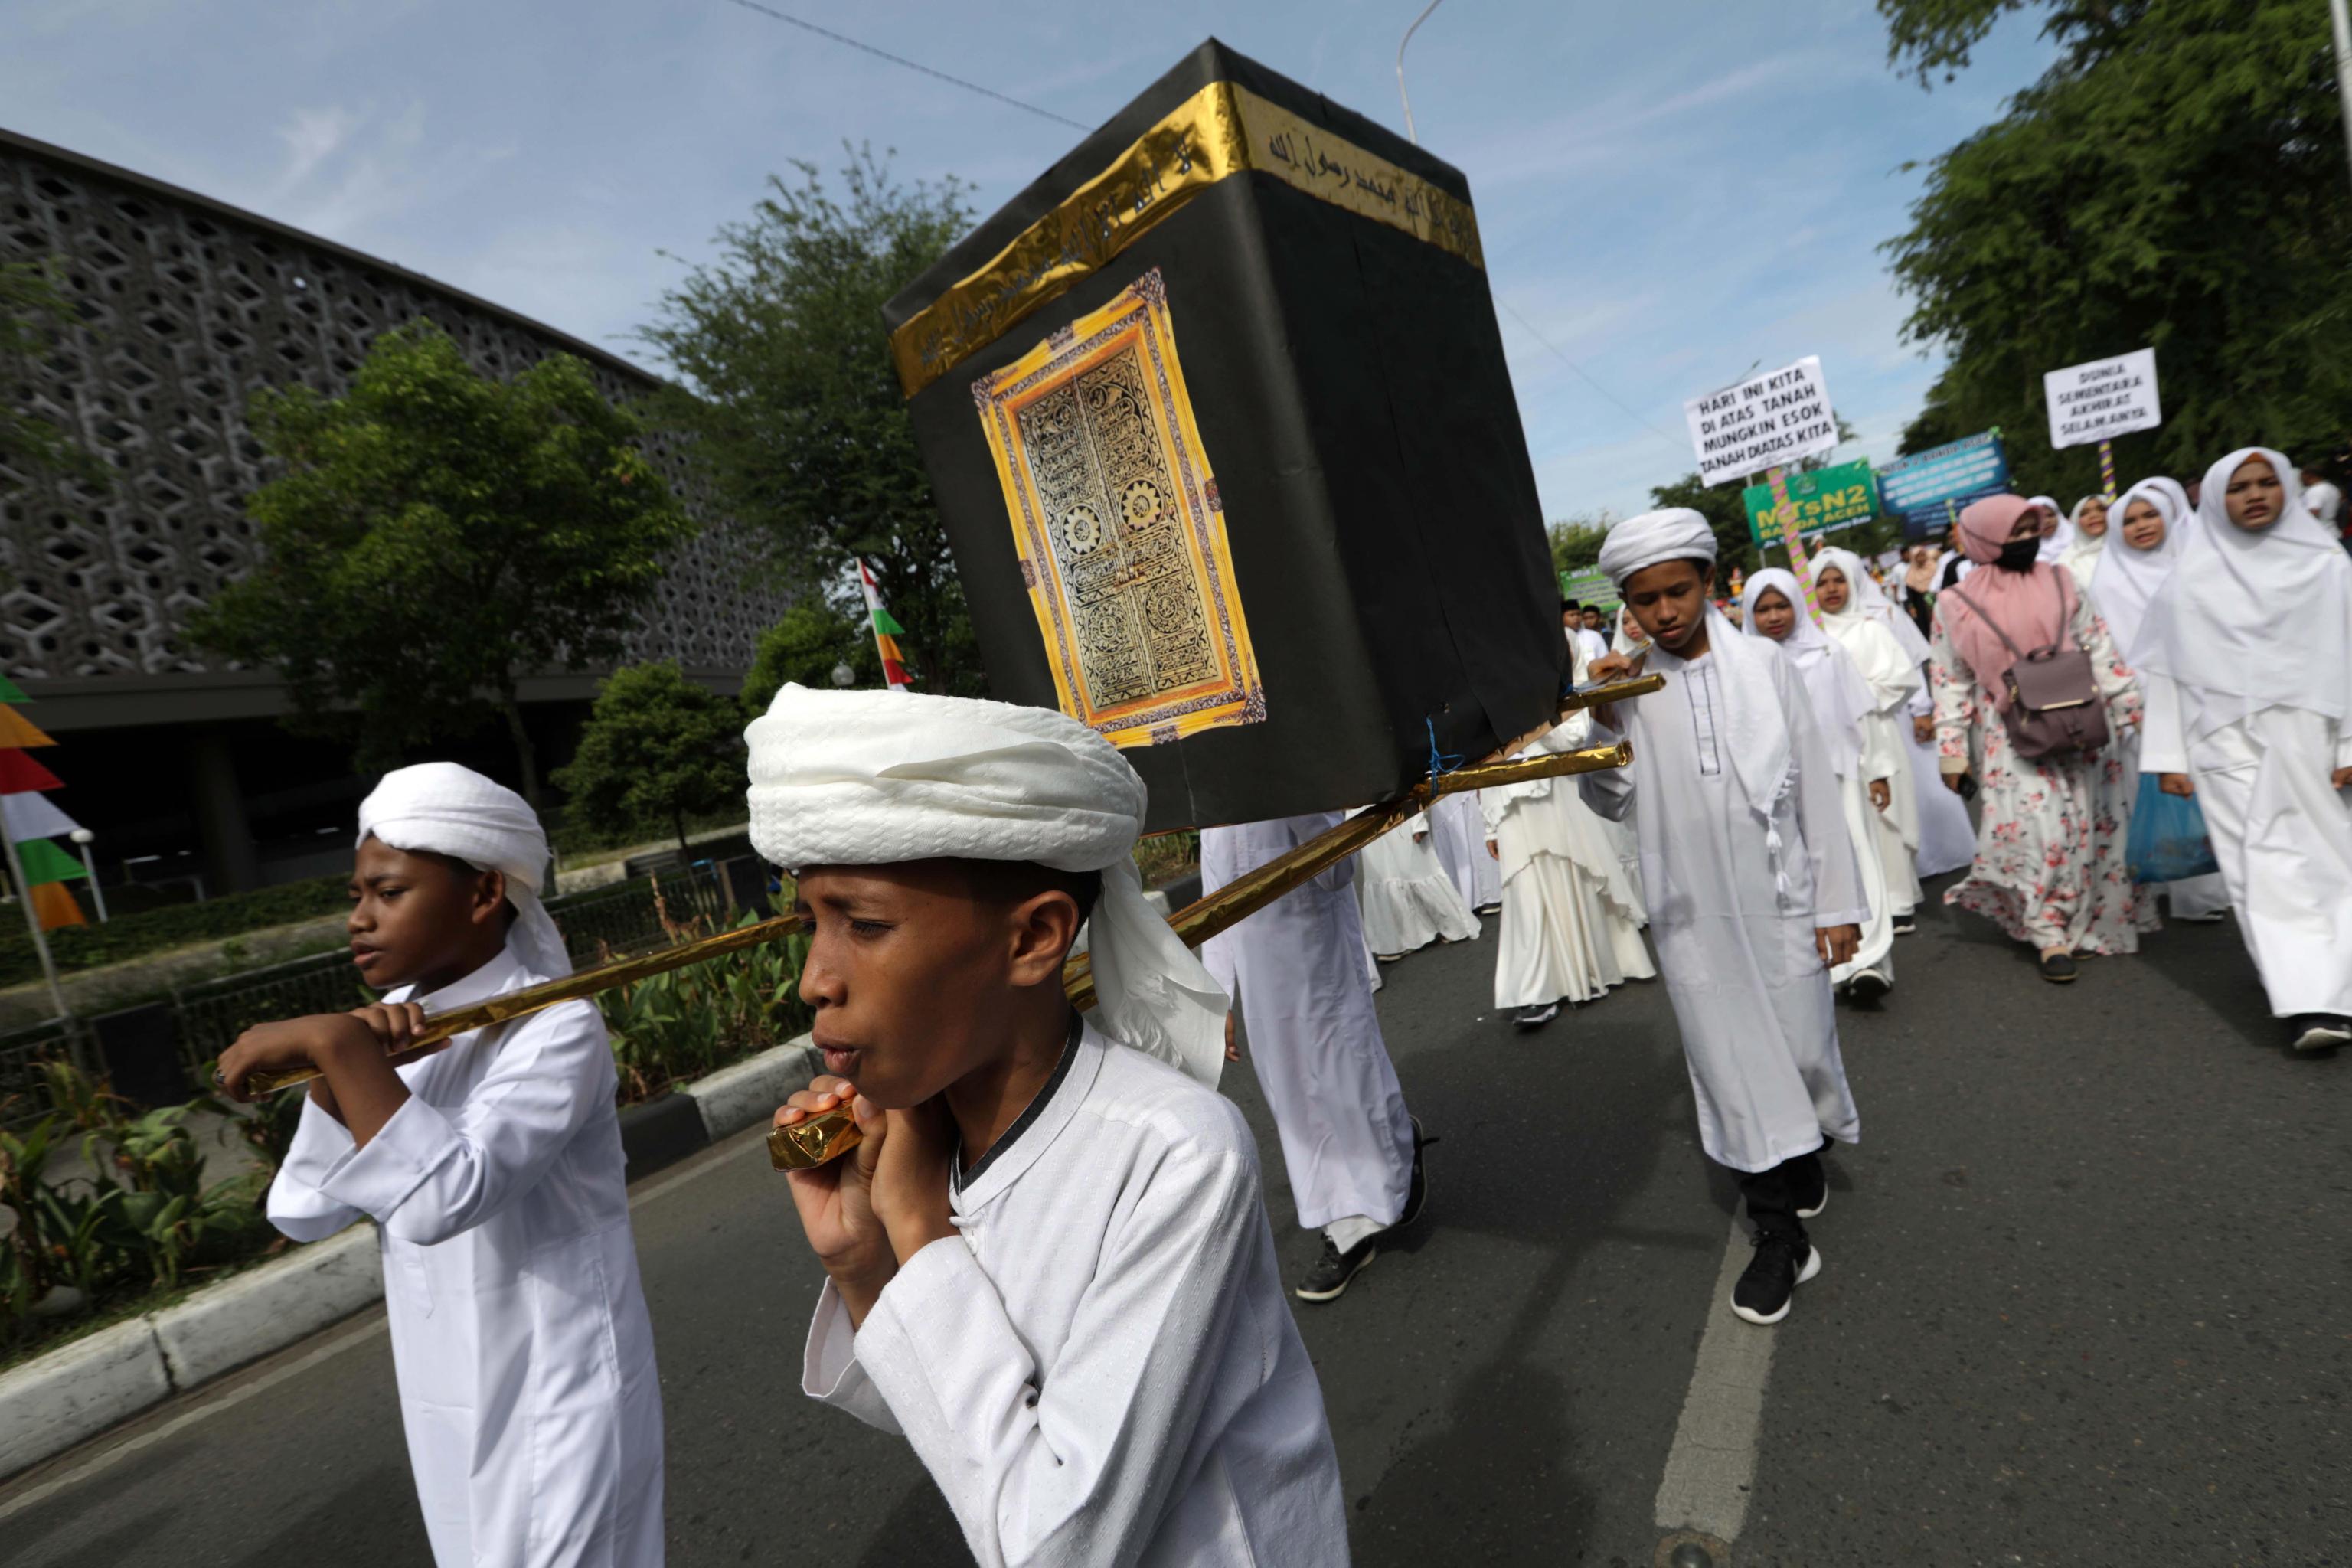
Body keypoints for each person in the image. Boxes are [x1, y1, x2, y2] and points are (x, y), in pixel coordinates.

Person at [750, 684, 1351, 1563]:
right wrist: (863, 1266)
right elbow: (954, 1427)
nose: (815, 979)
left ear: (1034, 938)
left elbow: (1056, 1543)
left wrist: (917, 1230)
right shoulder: (929, 1134)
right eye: (812, 923)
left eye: (866, 924)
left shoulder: (1174, 1153)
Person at [217, 763, 664, 1568]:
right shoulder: (393, 1035)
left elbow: (441, 1198)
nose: (359, 918)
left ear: (485, 893)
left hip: (555, 1393)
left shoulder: (555, 1023)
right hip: (446, 1402)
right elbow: (303, 1207)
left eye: (388, 892)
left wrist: (338, 1045)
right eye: (355, 894)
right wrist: (340, 1068)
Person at [1583, 510, 1866, 1328]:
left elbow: (1813, 781)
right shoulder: (1629, 687)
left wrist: (1838, 904)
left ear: (1711, 583)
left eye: (1678, 591)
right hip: (1692, 910)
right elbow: (1610, 799)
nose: (1665, 612)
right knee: (1732, 1060)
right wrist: (1603, 719)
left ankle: (1803, 1143)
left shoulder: (1768, 665)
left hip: (1779, 899)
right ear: (1626, 604)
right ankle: (1778, 1233)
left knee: (1805, 1045)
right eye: (1645, 600)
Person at [2135, 449, 2352, 1052]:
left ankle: (2339, 977)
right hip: (2222, 741)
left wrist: (2350, 740)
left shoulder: (2327, 565)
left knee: (2330, 858)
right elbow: (2168, 675)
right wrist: (2169, 759)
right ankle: (2309, 1001)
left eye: (2265, 483)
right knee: (2261, 869)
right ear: (2214, 500)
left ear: (2286, 488)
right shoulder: (2189, 581)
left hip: (2313, 733)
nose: (2255, 495)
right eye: (2239, 488)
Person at [1200, 813, 1430, 1303]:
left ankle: (1357, 1216)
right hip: (1261, 972)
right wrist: (1218, 996)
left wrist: (1296, 803)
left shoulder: (1298, 776)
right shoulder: (1214, 797)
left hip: (1317, 953)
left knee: (1345, 1079)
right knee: (1294, 1100)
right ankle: (1351, 1212)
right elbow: (1215, 899)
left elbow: (1337, 871)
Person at [1929, 495, 2150, 982]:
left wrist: (2130, 705)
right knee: (2039, 827)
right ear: (1985, 538)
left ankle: (2083, 919)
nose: (2025, 540)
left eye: (2031, 528)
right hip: (2008, 731)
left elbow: (2096, 642)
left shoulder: (2062, 580)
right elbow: (1951, 677)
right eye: (2013, 531)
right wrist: (1951, 752)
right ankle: (2047, 928)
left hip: (2079, 717)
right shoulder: (1954, 603)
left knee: (2085, 823)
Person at [1481, 632, 1655, 1029]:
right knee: (1524, 892)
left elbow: (1573, 739)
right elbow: (1481, 762)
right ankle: (1534, 990)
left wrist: (1542, 704)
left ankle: (1588, 968)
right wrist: (1489, 823)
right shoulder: (1486, 676)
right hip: (1510, 805)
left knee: (1577, 878)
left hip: (1557, 795)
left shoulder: (1565, 661)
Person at [1740, 570, 1896, 998]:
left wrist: (1877, 769)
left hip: (1839, 777)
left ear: (1797, 605)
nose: (1774, 616)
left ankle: (1869, 960)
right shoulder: (1740, 667)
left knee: (1856, 858)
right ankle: (1821, 966)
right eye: (1763, 608)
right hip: (1777, 788)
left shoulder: (1829, 652)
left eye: (1782, 605)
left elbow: (1863, 717)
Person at [2098, 480, 2229, 922]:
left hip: (2207, 694)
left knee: (2210, 790)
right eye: (2130, 520)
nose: (2142, 526)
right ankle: (2160, 884)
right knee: (2155, 795)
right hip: (2141, 704)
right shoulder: (2108, 581)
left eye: (2150, 515)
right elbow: (2108, 649)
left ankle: (2206, 888)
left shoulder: (2202, 565)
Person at [1812, 547, 1931, 930]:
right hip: (1828, 740)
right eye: (1822, 582)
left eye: (1839, 580)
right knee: (1845, 818)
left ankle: (1898, 900)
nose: (1832, 589)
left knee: (1885, 816)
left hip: (1875, 732)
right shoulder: (1809, 636)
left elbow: (1902, 678)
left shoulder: (1871, 628)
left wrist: (1857, 697)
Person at [1354, 807, 1481, 960]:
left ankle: (1453, 925)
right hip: (1365, 815)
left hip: (1397, 808)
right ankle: (1394, 942)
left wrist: (1418, 820)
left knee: (1417, 868)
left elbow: (1407, 783)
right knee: (1381, 873)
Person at [1426, 788, 1502, 914]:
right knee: (1450, 836)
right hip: (1438, 786)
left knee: (1475, 828)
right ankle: (1463, 895)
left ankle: (1489, 893)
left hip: (1463, 781)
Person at [2060, 493, 2111, 594]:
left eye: (2101, 509)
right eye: (2084, 513)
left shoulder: (2130, 549)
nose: (2094, 516)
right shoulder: (2068, 561)